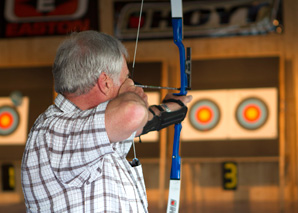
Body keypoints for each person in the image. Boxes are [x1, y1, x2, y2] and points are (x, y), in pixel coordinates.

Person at [21, 30, 192, 212]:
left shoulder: (92, 130)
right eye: (126, 78)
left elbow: (142, 122)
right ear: (105, 83)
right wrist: (130, 96)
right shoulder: (55, 131)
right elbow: (132, 113)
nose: (131, 83)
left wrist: (173, 107)